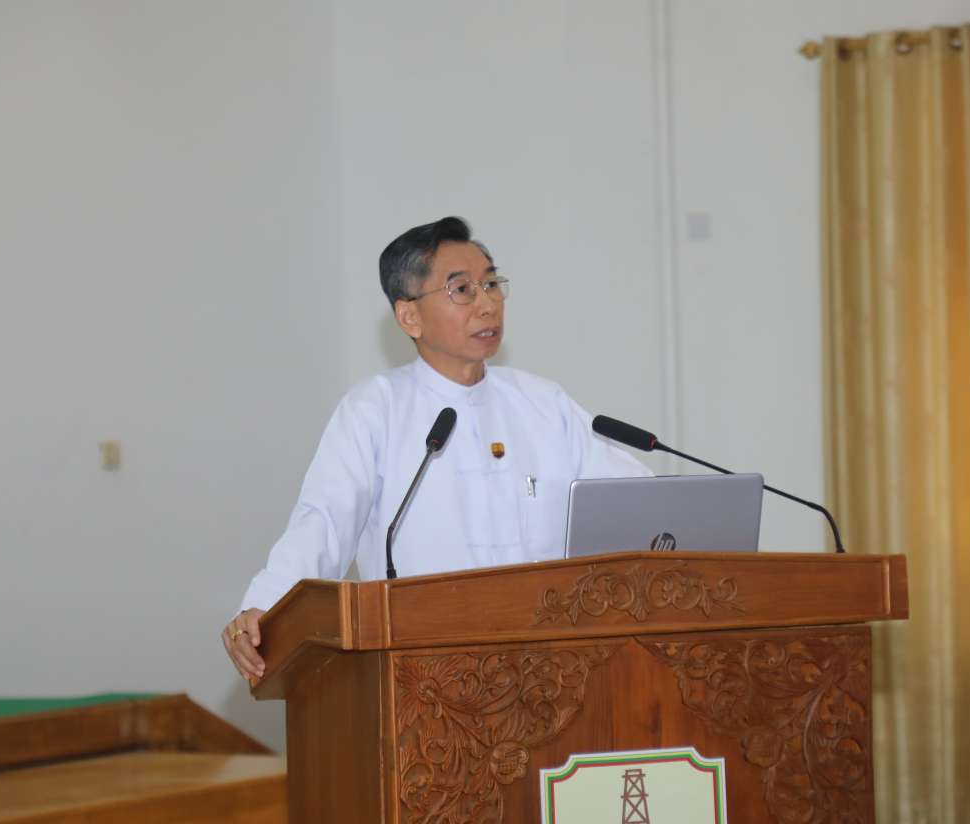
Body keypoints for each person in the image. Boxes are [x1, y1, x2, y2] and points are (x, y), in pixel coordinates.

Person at [222, 217, 651, 684]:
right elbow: (323, 522)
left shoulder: (543, 403)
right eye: (462, 289)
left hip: (552, 668)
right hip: (428, 678)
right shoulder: (377, 408)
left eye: (491, 284)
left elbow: (636, 505)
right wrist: (263, 611)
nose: (487, 304)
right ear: (410, 317)